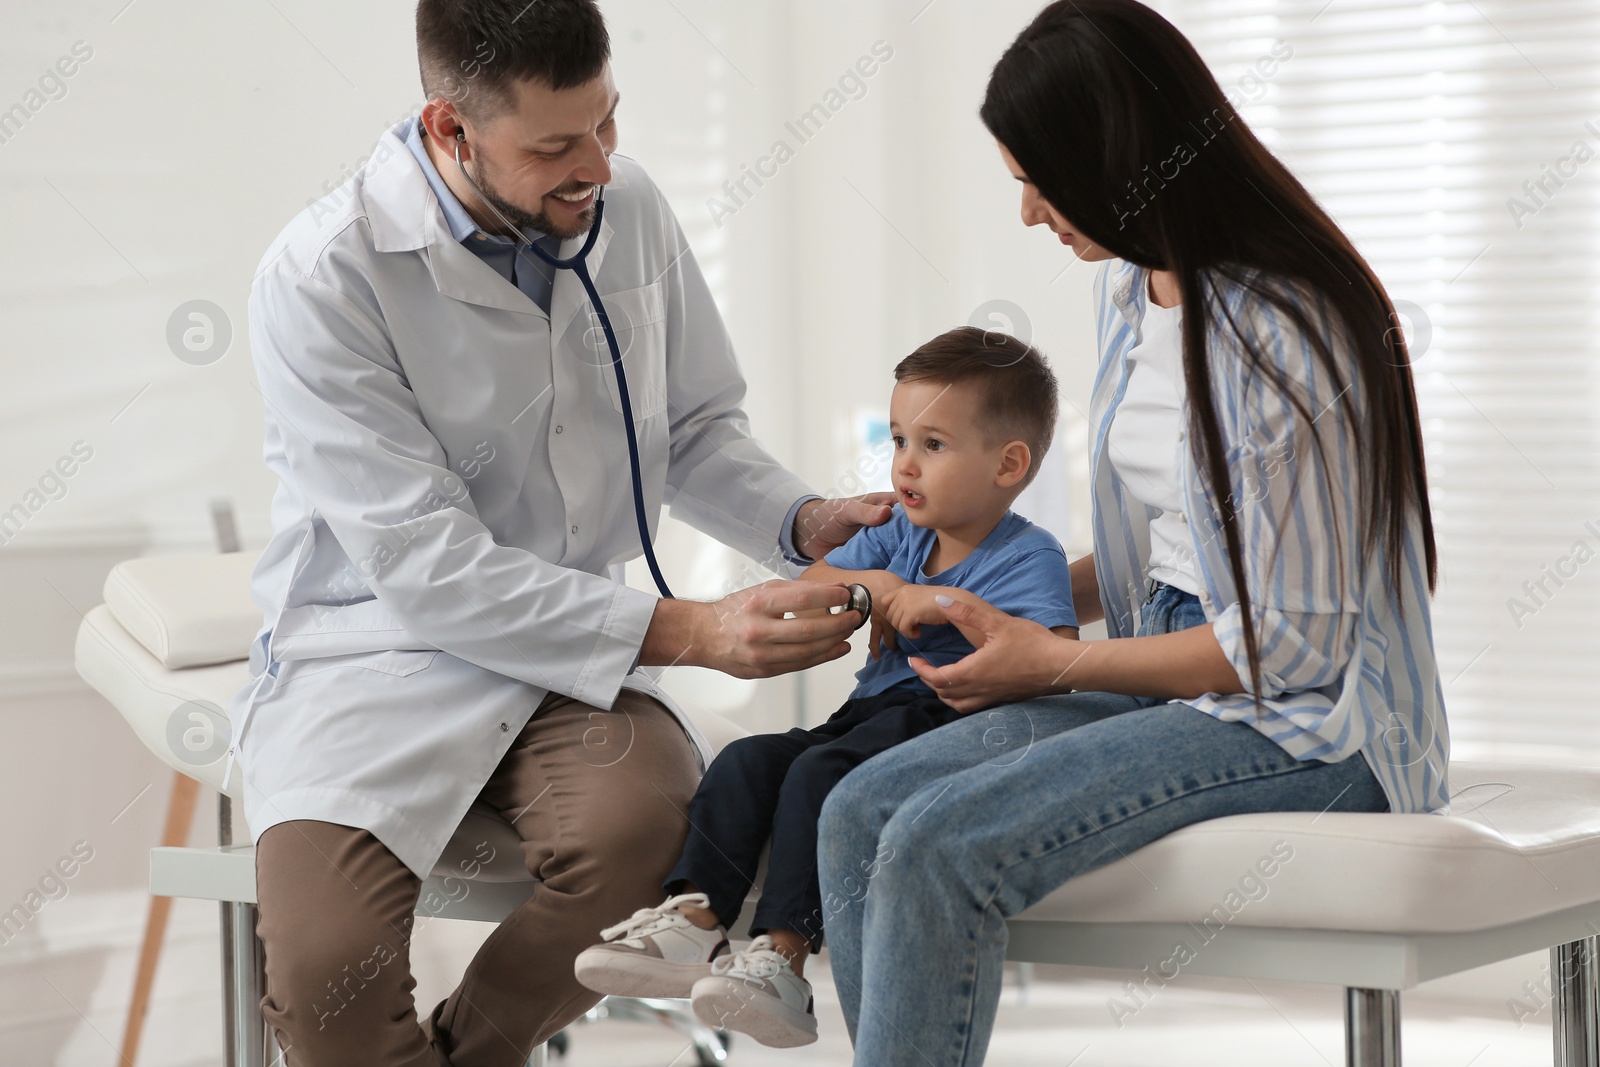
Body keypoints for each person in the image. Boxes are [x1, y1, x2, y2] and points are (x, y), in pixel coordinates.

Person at [237, 2, 893, 1063]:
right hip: (372, 663)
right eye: (553, 146)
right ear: (450, 128)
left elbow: (690, 429)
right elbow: (427, 567)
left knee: (644, 842)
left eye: (606, 121)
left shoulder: (626, 206)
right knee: (326, 975)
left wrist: (803, 519)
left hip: (571, 661)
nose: (596, 164)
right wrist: (697, 631)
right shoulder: (325, 274)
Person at [815, 3, 1452, 1065]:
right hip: (1174, 656)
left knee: (936, 840)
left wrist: (1051, 659)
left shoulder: (1282, 333)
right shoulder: (1133, 284)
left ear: (1117, 160)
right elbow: (1172, 545)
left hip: (1316, 720)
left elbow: (1294, 647)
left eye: (1041, 180)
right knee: (855, 809)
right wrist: (990, 595)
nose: (1028, 213)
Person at [571, 327, 1078, 1048]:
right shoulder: (899, 533)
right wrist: (881, 588)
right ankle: (695, 921)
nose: (905, 463)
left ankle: (782, 959)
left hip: (946, 717)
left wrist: (943, 607)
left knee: (819, 774)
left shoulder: (1030, 554)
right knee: (748, 760)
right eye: (900, 439)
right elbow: (812, 581)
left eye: (933, 444)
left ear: (1009, 464)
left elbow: (1054, 659)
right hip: (869, 710)